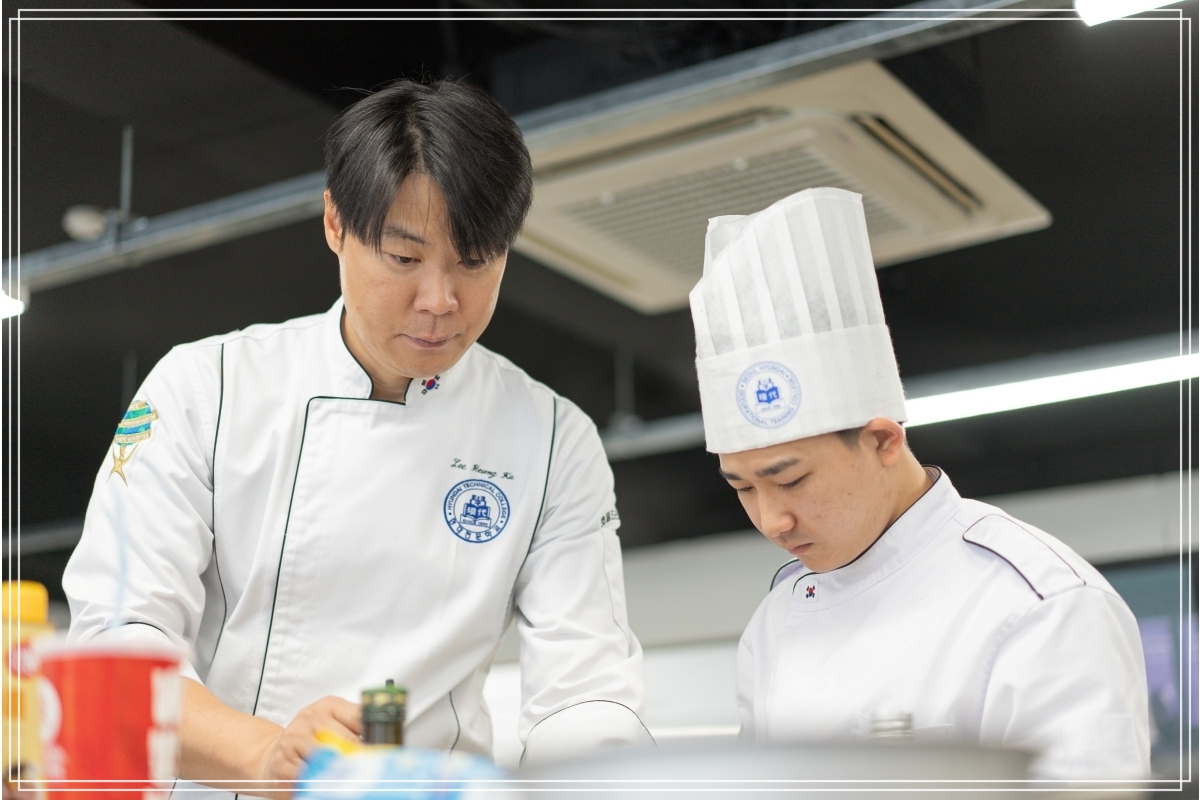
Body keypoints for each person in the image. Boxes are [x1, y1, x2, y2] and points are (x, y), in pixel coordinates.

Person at [62, 80, 652, 795]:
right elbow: (119, 650)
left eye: (475, 261)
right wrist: (267, 756)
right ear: (336, 224)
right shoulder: (205, 389)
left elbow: (584, 691)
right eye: (404, 259)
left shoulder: (553, 439)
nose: (440, 300)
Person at [688, 187, 1150, 779]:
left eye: (792, 479)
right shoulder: (776, 620)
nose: (772, 521)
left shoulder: (1040, 604)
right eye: (743, 488)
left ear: (883, 440)